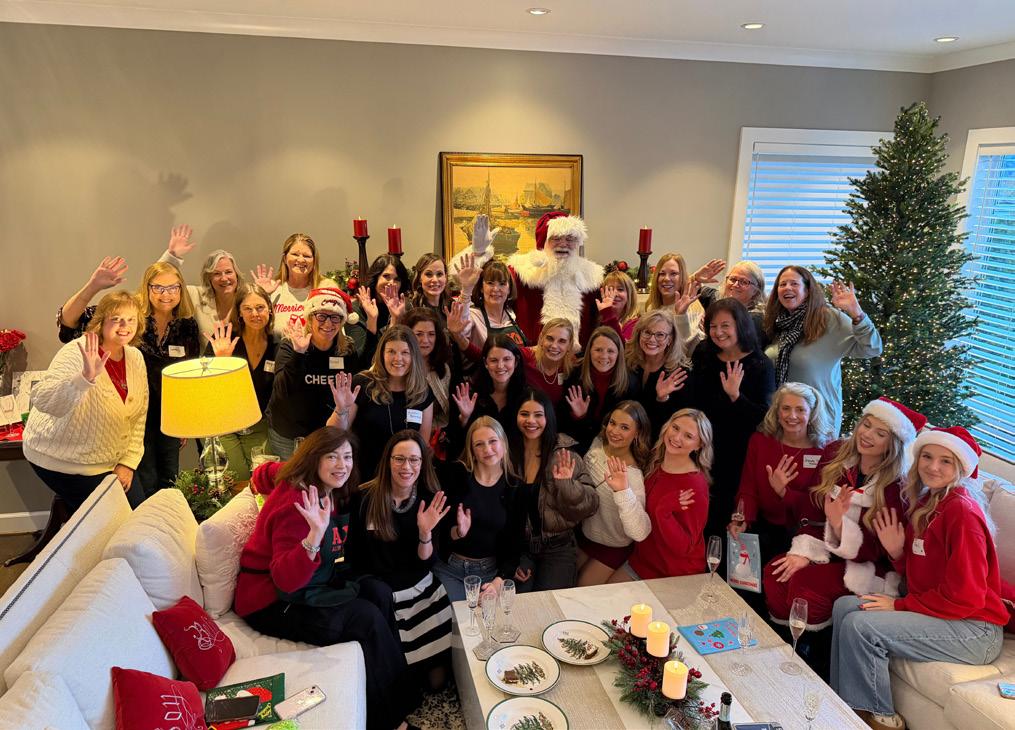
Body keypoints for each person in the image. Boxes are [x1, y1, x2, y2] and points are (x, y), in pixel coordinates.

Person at [234, 428, 417, 730]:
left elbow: (269, 472)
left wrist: (258, 479)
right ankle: (391, 722)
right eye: (332, 457)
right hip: (271, 602)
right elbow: (284, 581)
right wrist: (313, 538)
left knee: (379, 592)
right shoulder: (297, 506)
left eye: (347, 456)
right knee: (365, 618)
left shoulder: (316, 480)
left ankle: (398, 695)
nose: (342, 465)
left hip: (313, 582)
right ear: (314, 458)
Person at [831, 426, 1007, 730]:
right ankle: (842, 705)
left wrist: (899, 606)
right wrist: (898, 554)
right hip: (945, 614)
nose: (933, 467)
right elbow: (924, 575)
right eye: (927, 457)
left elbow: (967, 597)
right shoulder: (927, 504)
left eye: (945, 461)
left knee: (862, 626)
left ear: (961, 468)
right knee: (845, 606)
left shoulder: (962, 513)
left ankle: (879, 719)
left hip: (974, 630)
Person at [763, 397, 925, 633]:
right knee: (776, 573)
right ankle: (781, 638)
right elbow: (812, 506)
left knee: (807, 584)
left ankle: (810, 645)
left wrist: (838, 525)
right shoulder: (835, 454)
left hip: (868, 564)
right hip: (828, 549)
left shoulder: (896, 488)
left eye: (880, 433)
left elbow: (877, 550)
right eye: (866, 425)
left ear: (893, 444)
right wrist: (805, 553)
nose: (867, 435)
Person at [350, 430, 454, 693]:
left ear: (422, 463)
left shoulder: (430, 498)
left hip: (419, 586)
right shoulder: (365, 497)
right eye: (399, 459)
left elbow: (426, 562)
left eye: (414, 460)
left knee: (436, 683)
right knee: (405, 681)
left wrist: (425, 532)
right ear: (388, 461)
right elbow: (354, 556)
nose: (406, 467)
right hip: (382, 589)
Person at [25, 291, 148, 511]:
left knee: (138, 512)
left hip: (111, 459)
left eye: (131, 319)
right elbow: (43, 399)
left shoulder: (135, 357)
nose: (124, 325)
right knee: (115, 519)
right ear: (101, 321)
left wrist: (128, 463)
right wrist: (83, 379)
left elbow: (138, 416)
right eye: (116, 319)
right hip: (64, 460)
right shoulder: (77, 351)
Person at [687, 299, 775, 542]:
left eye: (725, 325)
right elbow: (692, 401)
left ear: (741, 326)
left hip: (737, 454)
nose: (718, 332)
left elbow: (764, 418)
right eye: (713, 326)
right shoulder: (704, 353)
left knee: (725, 519)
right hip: (701, 447)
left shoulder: (760, 364)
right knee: (697, 514)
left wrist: (736, 396)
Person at [454, 213, 605, 346]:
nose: (564, 244)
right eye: (556, 238)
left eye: (570, 239)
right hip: (530, 359)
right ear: (544, 241)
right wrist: (479, 253)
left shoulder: (591, 276)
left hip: (577, 361)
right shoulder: (523, 270)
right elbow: (490, 277)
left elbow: (602, 318)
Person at [764, 266, 882, 435]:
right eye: (782, 284)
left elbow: (872, 348)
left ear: (808, 290)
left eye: (794, 283)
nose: (787, 288)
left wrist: (856, 313)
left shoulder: (828, 318)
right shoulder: (778, 324)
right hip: (782, 421)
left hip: (818, 423)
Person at [729, 382, 833, 568]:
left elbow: (819, 504)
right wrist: (741, 517)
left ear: (812, 413)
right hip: (762, 527)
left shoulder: (825, 450)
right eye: (786, 408)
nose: (792, 416)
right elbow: (748, 486)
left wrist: (784, 492)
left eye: (800, 409)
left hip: (805, 534)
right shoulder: (760, 441)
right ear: (777, 411)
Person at [266, 287, 372, 459]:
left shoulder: (347, 350)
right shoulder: (290, 345)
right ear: (310, 317)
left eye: (335, 317)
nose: (328, 323)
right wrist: (299, 354)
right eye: (321, 316)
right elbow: (281, 391)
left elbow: (353, 387)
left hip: (326, 435)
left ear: (342, 321)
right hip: (288, 435)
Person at [511, 387, 599, 591]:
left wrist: (567, 486)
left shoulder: (563, 453)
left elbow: (591, 506)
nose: (531, 421)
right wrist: (508, 561)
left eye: (538, 415)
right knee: (521, 603)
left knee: (552, 604)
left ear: (548, 418)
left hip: (558, 547)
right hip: (520, 547)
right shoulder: (506, 453)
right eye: (524, 414)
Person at [611, 408, 713, 581]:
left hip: (674, 574)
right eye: (675, 428)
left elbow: (684, 547)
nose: (677, 437)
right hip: (643, 562)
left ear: (699, 445)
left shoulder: (694, 485)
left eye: (688, 436)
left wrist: (663, 510)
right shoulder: (656, 464)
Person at [433, 417, 524, 600]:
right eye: (479, 444)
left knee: (488, 615)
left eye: (492, 441)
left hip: (490, 572)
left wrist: (498, 582)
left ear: (504, 444)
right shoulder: (456, 476)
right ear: (472, 450)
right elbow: (441, 533)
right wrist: (458, 532)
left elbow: (515, 545)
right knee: (456, 614)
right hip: (450, 568)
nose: (487, 449)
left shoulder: (515, 487)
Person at [329, 325, 434, 480]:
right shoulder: (362, 383)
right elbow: (333, 434)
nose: (398, 358)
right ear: (382, 354)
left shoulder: (422, 391)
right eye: (391, 351)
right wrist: (341, 408)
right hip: (363, 475)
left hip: (402, 478)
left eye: (405, 352)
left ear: (414, 356)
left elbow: (422, 445)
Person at [134, 262, 201, 498]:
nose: (166, 294)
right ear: (147, 288)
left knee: (170, 480)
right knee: (146, 480)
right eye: (159, 288)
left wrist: (184, 420)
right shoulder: (135, 322)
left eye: (173, 287)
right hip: (139, 415)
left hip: (171, 415)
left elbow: (189, 374)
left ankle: (168, 521)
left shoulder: (187, 325)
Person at [203, 283, 279, 480]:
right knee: (237, 479)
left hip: (259, 424)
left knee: (262, 480)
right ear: (239, 313)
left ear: (270, 310)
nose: (255, 314)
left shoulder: (277, 343)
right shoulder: (224, 340)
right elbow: (205, 387)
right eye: (247, 308)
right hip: (225, 424)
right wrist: (222, 362)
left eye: (260, 307)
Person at [576, 401, 652, 586]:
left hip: (613, 546)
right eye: (613, 423)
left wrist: (622, 490)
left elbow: (640, 532)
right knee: (565, 580)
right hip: (585, 535)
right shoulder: (597, 443)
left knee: (582, 588)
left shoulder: (633, 475)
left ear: (637, 433)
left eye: (624, 427)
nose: (615, 431)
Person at [445, 334, 527, 458]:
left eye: (507, 359)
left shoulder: (526, 396)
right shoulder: (470, 395)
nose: (500, 366)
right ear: (485, 362)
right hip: (479, 461)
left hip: (515, 461)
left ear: (516, 361)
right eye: (494, 360)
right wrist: (464, 418)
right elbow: (455, 443)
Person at [159, 224, 244, 339]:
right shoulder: (196, 296)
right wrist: (171, 257)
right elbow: (159, 283)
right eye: (217, 274)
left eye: (228, 272)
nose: (224, 278)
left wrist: (267, 294)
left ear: (236, 274)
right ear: (209, 278)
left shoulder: (247, 298)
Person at [559, 326, 635, 453]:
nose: (604, 356)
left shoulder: (630, 382)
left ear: (619, 354)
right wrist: (579, 417)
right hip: (578, 440)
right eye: (598, 350)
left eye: (610, 351)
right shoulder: (574, 375)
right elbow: (563, 422)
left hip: (612, 444)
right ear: (589, 351)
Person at [251, 233, 339, 338]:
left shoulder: (326, 288)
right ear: (285, 258)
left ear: (314, 261)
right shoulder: (273, 289)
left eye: (307, 256)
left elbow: (336, 330)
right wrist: (261, 297)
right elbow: (256, 330)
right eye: (295, 254)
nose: (301, 260)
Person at [404, 309, 453, 457]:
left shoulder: (442, 369)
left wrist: (434, 432)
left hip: (435, 441)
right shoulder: (399, 366)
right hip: (403, 439)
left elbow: (444, 412)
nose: (425, 340)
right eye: (419, 334)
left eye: (431, 334)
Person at [346, 254, 412, 358]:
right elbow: (361, 359)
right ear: (375, 278)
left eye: (397, 279)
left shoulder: (405, 308)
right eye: (386, 276)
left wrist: (395, 320)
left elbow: (401, 355)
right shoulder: (356, 309)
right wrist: (372, 320)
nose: (391, 283)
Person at [642, 252, 725, 333]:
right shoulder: (651, 307)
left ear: (682, 277)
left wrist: (681, 317)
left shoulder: (691, 310)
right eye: (662, 274)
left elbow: (691, 341)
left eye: (673, 273)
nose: (666, 278)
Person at [56, 256, 130, 343]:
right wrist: (92, 287)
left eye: (131, 320)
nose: (125, 324)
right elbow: (67, 321)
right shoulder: (126, 309)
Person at [467, 258, 527, 347]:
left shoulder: (511, 314)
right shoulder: (472, 315)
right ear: (481, 288)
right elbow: (460, 333)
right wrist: (466, 289)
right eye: (490, 283)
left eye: (502, 284)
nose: (496, 289)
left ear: (509, 289)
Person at [520, 318, 579, 403]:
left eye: (562, 341)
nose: (554, 346)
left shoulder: (572, 364)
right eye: (550, 338)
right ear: (541, 338)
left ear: (569, 345)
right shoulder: (525, 356)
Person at [598, 269, 639, 341]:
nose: (615, 294)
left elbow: (620, 345)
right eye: (610, 289)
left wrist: (608, 314)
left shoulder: (636, 324)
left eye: (620, 289)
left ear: (630, 295)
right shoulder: (597, 321)